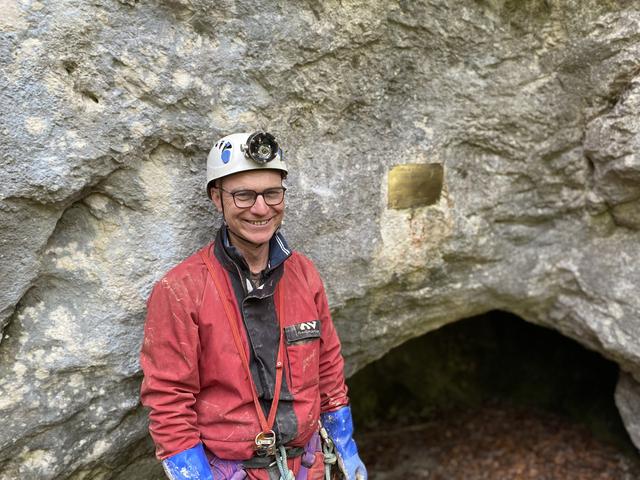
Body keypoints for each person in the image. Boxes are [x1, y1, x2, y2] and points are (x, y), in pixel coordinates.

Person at [140, 131, 367, 480]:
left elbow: (328, 367)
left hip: (308, 467)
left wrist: (344, 442)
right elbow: (169, 401)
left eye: (272, 193)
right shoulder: (180, 290)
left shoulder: (303, 274)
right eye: (244, 195)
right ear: (217, 198)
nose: (261, 208)